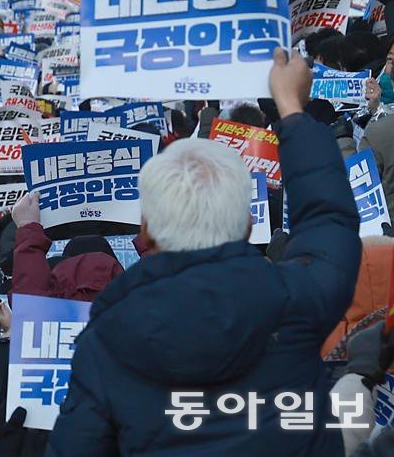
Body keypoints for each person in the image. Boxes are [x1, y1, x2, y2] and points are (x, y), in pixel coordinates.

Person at [49, 50, 362, 454]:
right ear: (248, 226)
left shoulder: (105, 342)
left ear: (146, 232)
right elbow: (328, 219)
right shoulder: (297, 299)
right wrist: (291, 109)